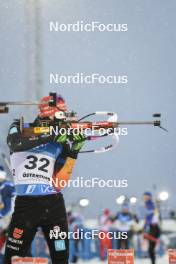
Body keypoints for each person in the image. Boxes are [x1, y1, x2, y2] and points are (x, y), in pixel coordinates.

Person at [4, 93, 85, 264]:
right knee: (12, 258)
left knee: (61, 257)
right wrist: (51, 135)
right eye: (58, 117)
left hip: (53, 204)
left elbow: (58, 183)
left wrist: (73, 151)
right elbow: (15, 143)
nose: (60, 122)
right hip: (26, 205)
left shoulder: (60, 142)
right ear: (47, 113)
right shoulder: (20, 126)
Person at [143, 192, 161, 264]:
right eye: (144, 196)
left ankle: (153, 262)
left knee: (151, 248)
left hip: (154, 228)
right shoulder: (148, 205)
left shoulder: (150, 204)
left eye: (146, 196)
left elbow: (149, 217)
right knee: (151, 248)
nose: (144, 198)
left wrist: (145, 227)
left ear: (150, 197)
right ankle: (153, 262)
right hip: (153, 228)